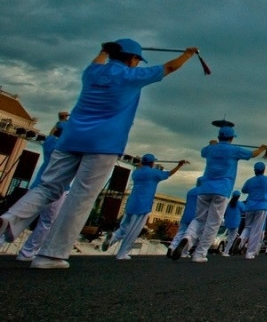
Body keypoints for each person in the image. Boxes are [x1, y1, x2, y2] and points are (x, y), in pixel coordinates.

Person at [0, 38, 198, 269]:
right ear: (133, 59)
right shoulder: (131, 76)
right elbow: (170, 67)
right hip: (104, 142)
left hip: (71, 138)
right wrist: (188, 54)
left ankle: (10, 218)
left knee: (47, 187)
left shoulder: (92, 72)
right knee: (80, 198)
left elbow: (99, 60)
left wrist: (104, 50)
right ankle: (51, 255)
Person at [171, 125, 267, 263]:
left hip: (204, 188)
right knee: (213, 222)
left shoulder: (210, 149)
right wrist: (262, 148)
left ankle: (187, 237)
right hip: (222, 189)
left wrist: (211, 144)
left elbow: (203, 152)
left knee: (198, 219)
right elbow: (252, 154)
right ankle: (199, 253)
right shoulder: (234, 150)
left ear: (219, 137)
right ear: (231, 138)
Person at [103, 153, 188, 259]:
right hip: (143, 205)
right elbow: (169, 173)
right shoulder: (154, 173)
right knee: (133, 231)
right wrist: (179, 165)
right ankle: (122, 254)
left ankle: (113, 237)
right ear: (152, 163)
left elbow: (140, 167)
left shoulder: (136, 173)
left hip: (131, 203)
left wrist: (141, 163)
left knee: (124, 226)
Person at [16, 119, 69, 261]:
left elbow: (51, 135)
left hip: (38, 185)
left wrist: (59, 121)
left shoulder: (50, 144)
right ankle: (27, 252)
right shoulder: (67, 148)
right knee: (47, 222)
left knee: (23, 216)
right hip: (58, 188)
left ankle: (2, 240)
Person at [240, 161, 267, 259]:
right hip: (262, 206)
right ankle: (250, 253)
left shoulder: (250, 181)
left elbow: (243, 190)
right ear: (264, 170)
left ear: (254, 170)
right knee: (256, 230)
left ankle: (241, 239)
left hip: (249, 206)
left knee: (248, 227)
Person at [167, 177, 203, 258]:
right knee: (192, 234)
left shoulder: (190, 191)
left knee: (180, 232)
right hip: (196, 216)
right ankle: (184, 252)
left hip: (186, 214)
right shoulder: (203, 192)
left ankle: (172, 247)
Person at [220, 190, 245, 257]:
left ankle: (224, 249)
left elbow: (224, 213)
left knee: (228, 236)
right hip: (236, 222)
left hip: (228, 222)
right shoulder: (240, 204)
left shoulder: (228, 204)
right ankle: (226, 251)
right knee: (232, 238)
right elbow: (244, 210)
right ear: (239, 196)